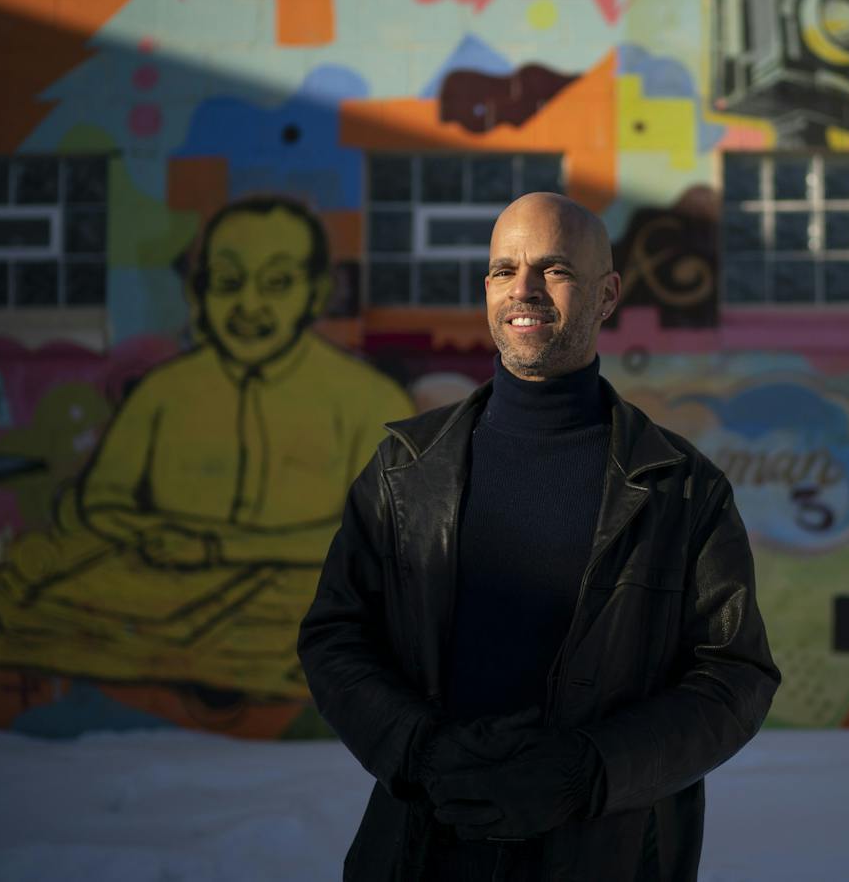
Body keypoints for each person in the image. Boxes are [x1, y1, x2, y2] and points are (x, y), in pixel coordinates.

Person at [298, 192, 780, 881]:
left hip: (608, 853)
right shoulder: (407, 470)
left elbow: (735, 674)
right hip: (423, 845)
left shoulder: (682, 488)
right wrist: (419, 749)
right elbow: (336, 635)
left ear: (608, 295)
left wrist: (591, 771)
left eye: (554, 270)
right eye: (503, 270)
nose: (522, 290)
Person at [0, 196, 413, 698]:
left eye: (277, 283)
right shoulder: (165, 392)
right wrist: (154, 537)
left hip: (287, 617)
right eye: (228, 283)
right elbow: (100, 500)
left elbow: (380, 532)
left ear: (316, 293)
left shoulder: (369, 399)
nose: (249, 305)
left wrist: (215, 549)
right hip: (150, 605)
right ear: (198, 291)